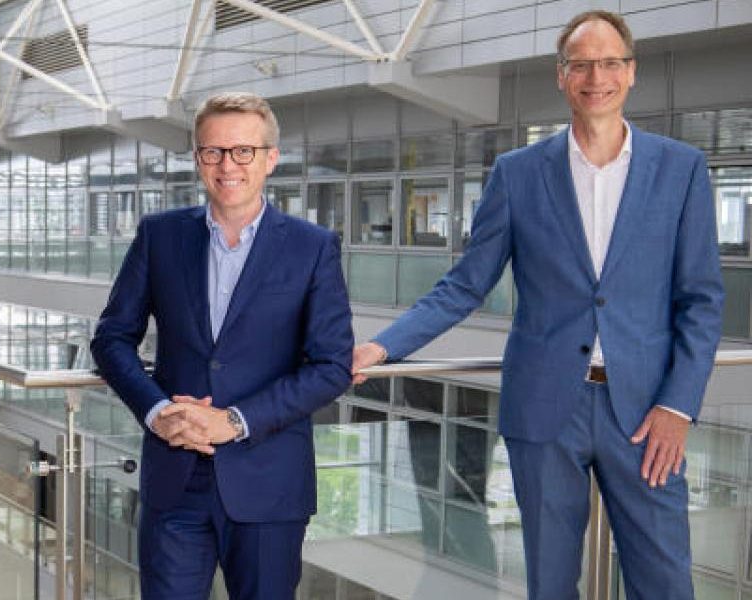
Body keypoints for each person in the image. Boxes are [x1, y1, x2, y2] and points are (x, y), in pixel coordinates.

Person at [351, 10, 721, 599]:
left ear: (631, 72)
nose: (596, 77)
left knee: (666, 583)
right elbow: (465, 284)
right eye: (582, 65)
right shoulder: (517, 173)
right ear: (561, 75)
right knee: (549, 585)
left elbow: (701, 299)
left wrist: (678, 406)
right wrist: (382, 346)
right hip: (546, 412)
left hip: (648, 414)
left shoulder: (681, 168)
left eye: (609, 63)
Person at [91, 92, 354, 599]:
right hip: (175, 476)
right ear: (198, 159)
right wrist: (158, 412)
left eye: (243, 151)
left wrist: (234, 421)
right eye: (213, 152)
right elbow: (112, 338)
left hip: (268, 483)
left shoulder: (312, 246)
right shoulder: (160, 236)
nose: (227, 165)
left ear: (270, 158)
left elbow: (331, 366)